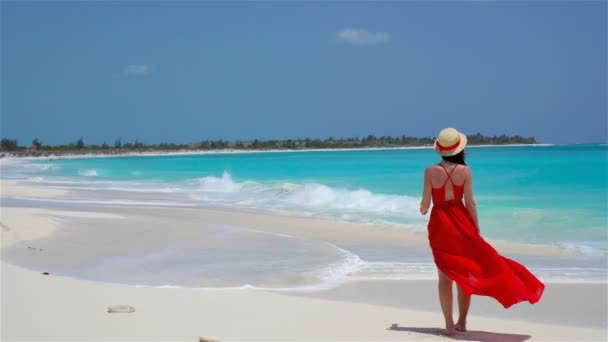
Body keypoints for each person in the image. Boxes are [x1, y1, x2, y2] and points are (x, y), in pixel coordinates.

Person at [420, 128, 544, 335]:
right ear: (460, 149)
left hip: (440, 226)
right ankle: (462, 322)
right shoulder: (465, 172)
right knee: (464, 273)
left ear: (440, 150)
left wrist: (424, 208)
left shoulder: (429, 171)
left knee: (444, 276)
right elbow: (471, 203)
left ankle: (449, 326)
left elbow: (425, 205)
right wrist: (475, 228)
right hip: (462, 224)